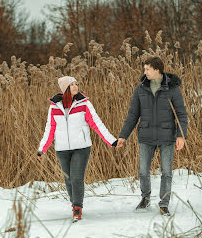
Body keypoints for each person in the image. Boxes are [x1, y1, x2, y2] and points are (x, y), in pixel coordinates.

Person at [37, 76, 117, 222]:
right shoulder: (54, 107)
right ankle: (74, 204)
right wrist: (42, 148)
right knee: (68, 179)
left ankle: (77, 208)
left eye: (76, 84)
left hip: (81, 147)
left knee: (76, 178)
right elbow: (50, 129)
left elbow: (96, 123)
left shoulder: (84, 104)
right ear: (65, 89)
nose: (75, 86)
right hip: (62, 149)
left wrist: (111, 141)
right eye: (71, 84)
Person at [117, 57, 187, 216]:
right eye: (145, 69)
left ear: (157, 70)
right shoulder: (140, 89)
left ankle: (164, 204)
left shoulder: (173, 88)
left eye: (147, 69)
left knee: (167, 172)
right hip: (146, 135)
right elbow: (132, 115)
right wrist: (123, 136)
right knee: (142, 171)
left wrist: (181, 136)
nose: (144, 72)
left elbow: (181, 114)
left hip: (167, 136)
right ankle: (145, 198)